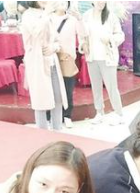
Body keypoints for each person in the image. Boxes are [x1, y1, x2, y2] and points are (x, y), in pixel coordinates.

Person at [21, 1, 68, 131]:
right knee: (40, 102)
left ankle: (57, 131)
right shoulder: (28, 15)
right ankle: (42, 135)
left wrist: (54, 47)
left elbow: (57, 40)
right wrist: (46, 14)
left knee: (58, 99)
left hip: (52, 62)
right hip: (37, 64)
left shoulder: (48, 14)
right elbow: (36, 32)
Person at [80, 1, 125, 126]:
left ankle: (119, 114)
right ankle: (99, 112)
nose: (101, 2)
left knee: (111, 87)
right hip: (92, 57)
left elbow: (120, 35)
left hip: (107, 57)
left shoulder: (111, 16)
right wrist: (83, 44)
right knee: (96, 87)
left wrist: (110, 39)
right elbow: (82, 35)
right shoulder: (86, 16)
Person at [52, 1, 84, 129]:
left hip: (67, 58)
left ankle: (67, 116)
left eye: (65, 1)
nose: (63, 3)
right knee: (53, 89)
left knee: (68, 89)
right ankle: (53, 116)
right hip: (52, 57)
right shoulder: (48, 18)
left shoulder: (72, 20)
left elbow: (83, 33)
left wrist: (80, 19)